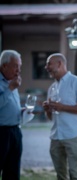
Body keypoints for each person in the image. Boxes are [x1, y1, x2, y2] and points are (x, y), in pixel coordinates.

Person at [42, 53, 77, 180]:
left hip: (73, 135)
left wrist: (62, 107)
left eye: (49, 64)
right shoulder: (52, 87)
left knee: (76, 174)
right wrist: (47, 110)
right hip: (56, 137)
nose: (46, 67)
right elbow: (51, 117)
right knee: (60, 175)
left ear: (59, 64)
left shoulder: (76, 82)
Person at [0, 50, 23, 180]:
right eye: (15, 66)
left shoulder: (12, 82)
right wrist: (10, 89)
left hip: (15, 132)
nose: (18, 70)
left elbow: (10, 106)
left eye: (20, 66)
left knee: (13, 172)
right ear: (4, 66)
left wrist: (22, 111)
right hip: (1, 132)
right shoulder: (11, 85)